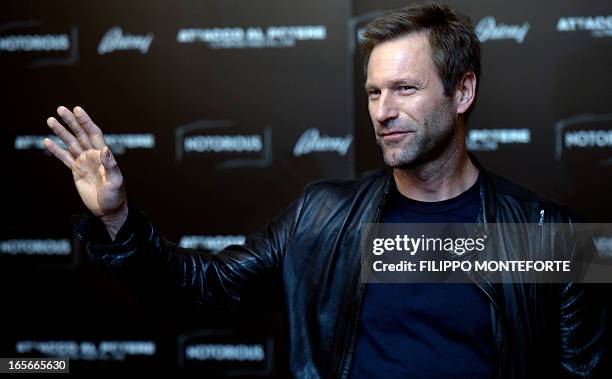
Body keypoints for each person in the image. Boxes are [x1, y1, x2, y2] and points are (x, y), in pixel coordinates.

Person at [43, 3, 605, 378]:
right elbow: (201, 290)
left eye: (405, 89)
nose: (383, 112)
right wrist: (117, 218)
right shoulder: (322, 216)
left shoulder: (549, 236)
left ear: (463, 92)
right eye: (373, 92)